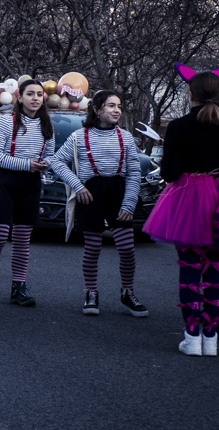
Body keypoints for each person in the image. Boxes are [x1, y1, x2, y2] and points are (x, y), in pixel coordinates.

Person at [143, 69, 219, 356]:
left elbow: (171, 172)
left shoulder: (179, 126)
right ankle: (210, 338)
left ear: (191, 95)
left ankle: (192, 336)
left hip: (189, 200)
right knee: (216, 268)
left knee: (190, 269)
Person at [49, 89, 147, 318]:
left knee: (127, 249)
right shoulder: (78, 136)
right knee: (92, 248)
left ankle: (127, 292)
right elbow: (57, 162)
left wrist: (129, 204)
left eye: (119, 106)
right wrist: (78, 185)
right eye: (111, 106)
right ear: (96, 109)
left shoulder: (125, 137)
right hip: (90, 195)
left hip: (118, 194)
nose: (117, 110)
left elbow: (133, 173)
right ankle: (91, 292)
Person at [0, 80, 55, 306]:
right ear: (20, 97)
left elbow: (50, 154)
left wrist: (45, 164)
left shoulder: (47, 125)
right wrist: (26, 164)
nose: (35, 98)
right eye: (30, 94)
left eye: (39, 94)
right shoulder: (5, 122)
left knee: (22, 239)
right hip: (4, 180)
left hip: (30, 183)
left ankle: (18, 286)